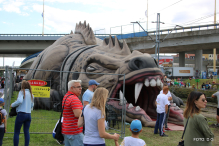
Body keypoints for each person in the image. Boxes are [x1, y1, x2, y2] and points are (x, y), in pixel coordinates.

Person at [10, 80, 34, 146]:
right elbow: (32, 105)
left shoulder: (22, 92)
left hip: (21, 114)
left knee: (17, 132)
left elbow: (20, 101)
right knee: (26, 132)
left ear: (22, 86)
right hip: (28, 115)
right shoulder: (31, 94)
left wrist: (12, 105)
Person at [62, 80, 84, 146]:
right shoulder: (74, 99)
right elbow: (78, 114)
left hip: (67, 129)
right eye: (78, 87)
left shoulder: (66, 96)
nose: (81, 88)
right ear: (72, 88)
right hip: (74, 131)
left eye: (81, 87)